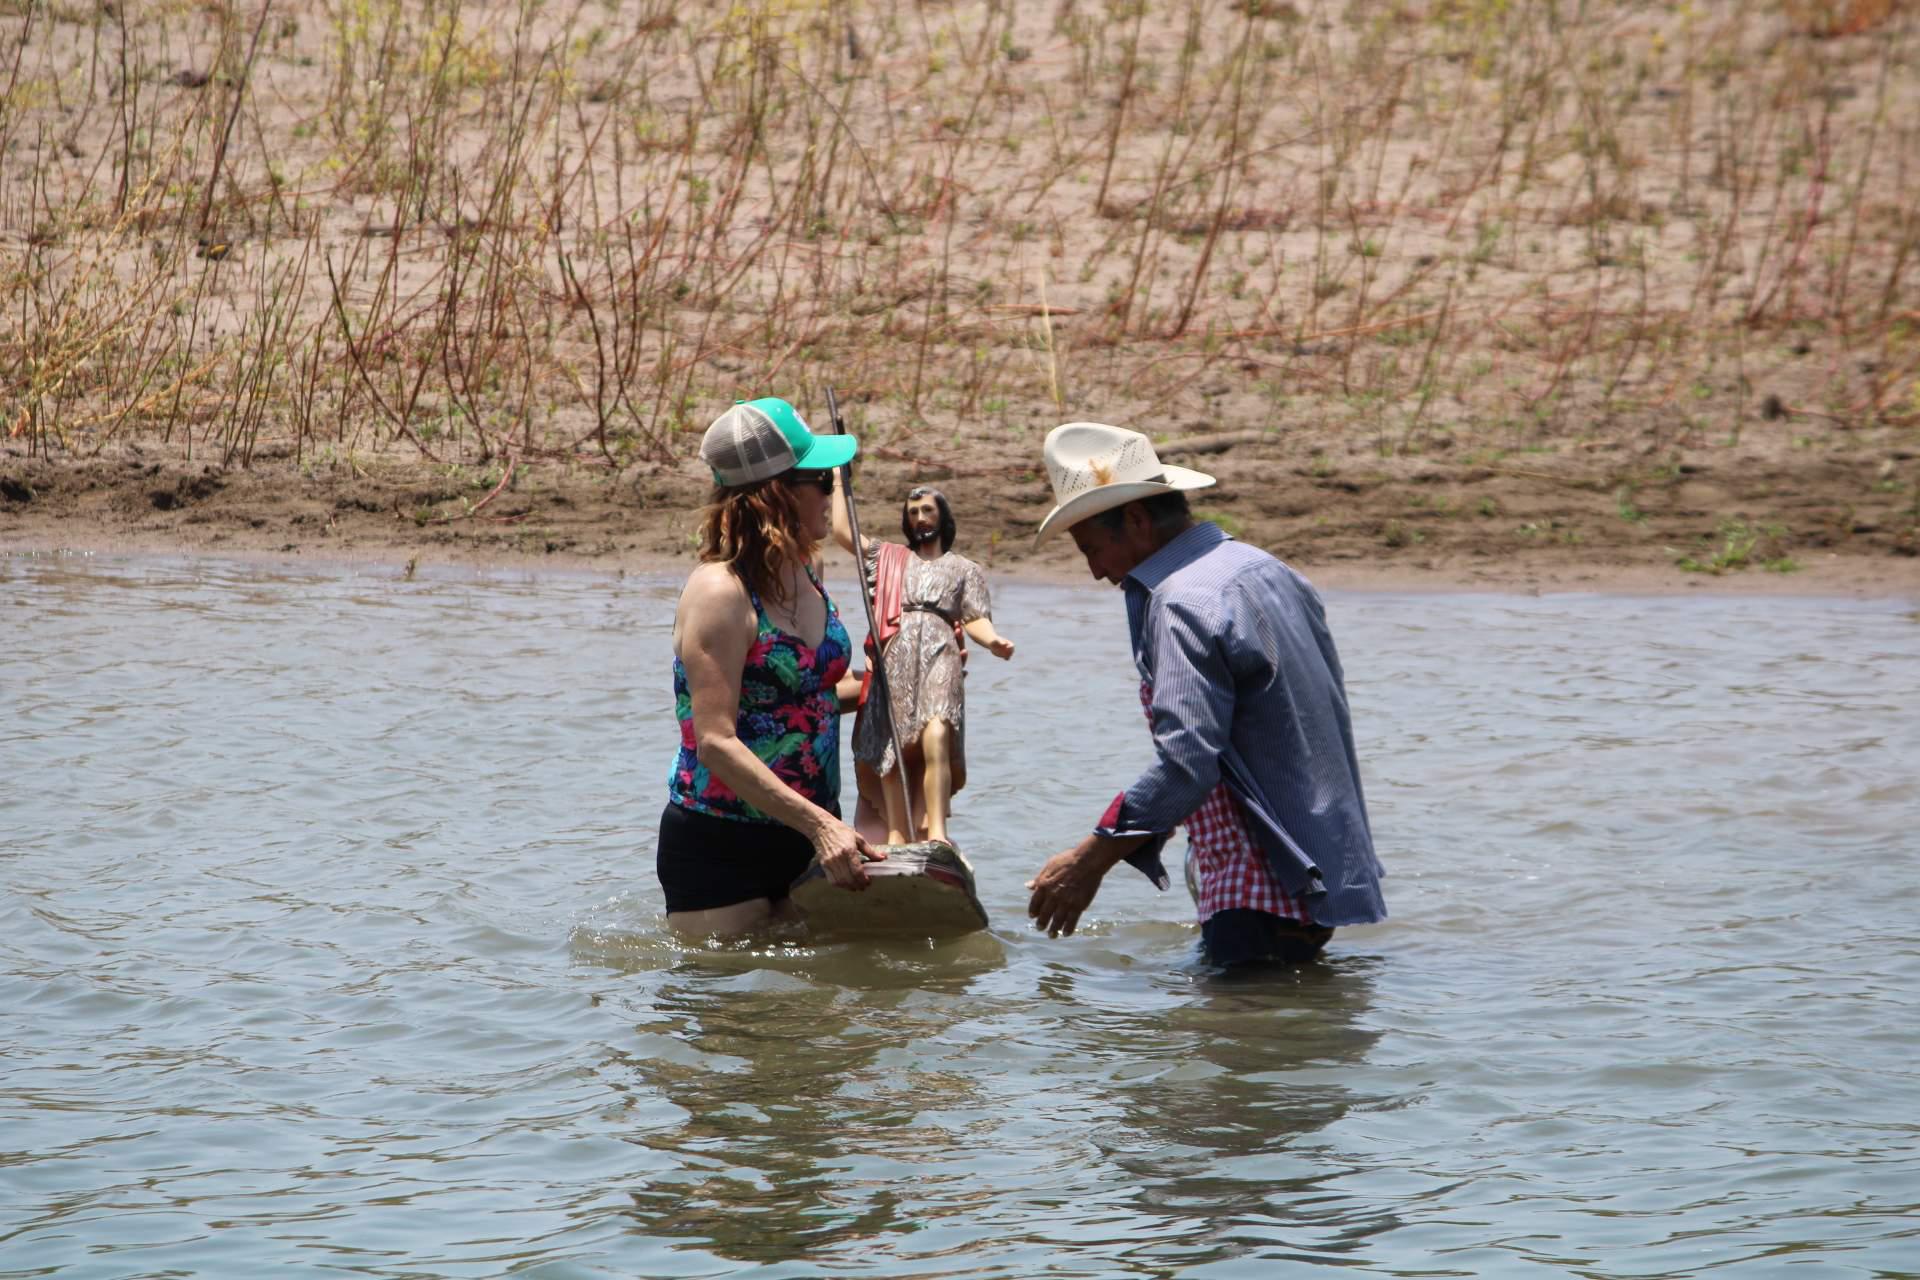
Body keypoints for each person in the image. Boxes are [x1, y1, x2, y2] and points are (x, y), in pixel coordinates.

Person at [1023, 422, 1387, 967]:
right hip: (1314, 876)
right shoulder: (1267, 569)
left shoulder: (1179, 604)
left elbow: (1188, 761)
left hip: (1255, 890)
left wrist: (1089, 861)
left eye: (1091, 549)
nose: (1096, 571)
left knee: (1239, 1043)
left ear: (1138, 520)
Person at [661, 397, 884, 936]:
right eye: (823, 483)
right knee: (739, 1010)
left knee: (812, 1013)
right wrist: (822, 829)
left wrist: (898, 678)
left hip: (809, 834)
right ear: (779, 494)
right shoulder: (720, 591)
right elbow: (716, 741)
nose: (834, 494)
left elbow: (813, 698)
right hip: (725, 842)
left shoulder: (807, 568)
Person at [832, 483, 1015, 846]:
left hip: (940, 652)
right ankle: (898, 836)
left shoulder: (964, 569)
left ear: (942, 517)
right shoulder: (888, 559)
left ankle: (937, 835)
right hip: (895, 657)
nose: (920, 519)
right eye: (913, 513)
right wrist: (839, 479)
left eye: (928, 510)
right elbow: (843, 531)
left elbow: (974, 616)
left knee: (937, 735)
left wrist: (992, 640)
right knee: (891, 746)